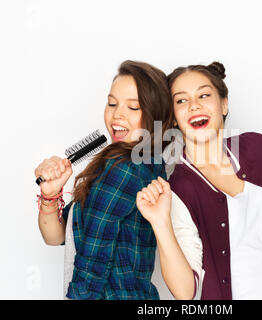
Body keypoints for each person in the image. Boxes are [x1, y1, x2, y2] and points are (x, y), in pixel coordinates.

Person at [136, 62, 262, 300]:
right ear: (173, 118)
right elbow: (186, 292)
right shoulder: (178, 190)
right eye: (181, 101)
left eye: (204, 95)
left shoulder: (260, 147)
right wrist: (160, 222)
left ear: (224, 104)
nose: (194, 105)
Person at [34, 60, 174, 300]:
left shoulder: (125, 168)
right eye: (112, 103)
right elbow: (56, 237)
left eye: (133, 107)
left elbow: (92, 265)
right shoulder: (142, 165)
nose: (117, 114)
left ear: (155, 116)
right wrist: (50, 194)